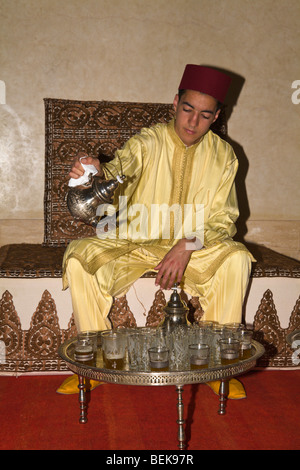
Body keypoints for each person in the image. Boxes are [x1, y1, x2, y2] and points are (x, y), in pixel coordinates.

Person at [58, 64, 254, 398]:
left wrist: (186, 244)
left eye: (204, 115)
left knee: (237, 258)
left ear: (217, 117)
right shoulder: (147, 142)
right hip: (135, 242)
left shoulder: (224, 157)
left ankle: (219, 364)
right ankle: (91, 362)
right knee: (79, 257)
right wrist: (93, 169)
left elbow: (223, 220)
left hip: (195, 251)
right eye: (188, 109)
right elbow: (119, 171)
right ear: (174, 104)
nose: (193, 122)